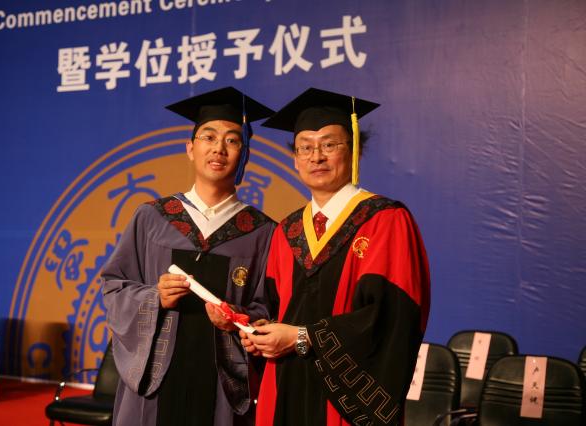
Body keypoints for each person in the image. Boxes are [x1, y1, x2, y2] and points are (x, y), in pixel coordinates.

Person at [240, 88, 431, 426]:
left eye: (329, 145)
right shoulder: (286, 232)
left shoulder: (384, 220)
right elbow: (275, 309)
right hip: (285, 386)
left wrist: (303, 337)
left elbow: (392, 318)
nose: (316, 157)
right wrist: (260, 333)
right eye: (305, 147)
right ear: (295, 159)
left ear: (354, 150)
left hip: (346, 401)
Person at [101, 87, 276, 426]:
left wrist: (237, 317)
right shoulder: (152, 217)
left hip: (220, 386)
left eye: (232, 140)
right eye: (208, 137)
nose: (218, 148)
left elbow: (269, 309)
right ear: (190, 148)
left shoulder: (261, 231)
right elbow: (114, 287)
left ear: (244, 153)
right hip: (157, 382)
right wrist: (155, 297)